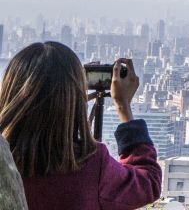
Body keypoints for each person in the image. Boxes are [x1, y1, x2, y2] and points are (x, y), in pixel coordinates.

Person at [0, 42, 161, 210]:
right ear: (75, 98)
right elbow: (148, 182)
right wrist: (123, 106)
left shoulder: (4, 159)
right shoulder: (91, 164)